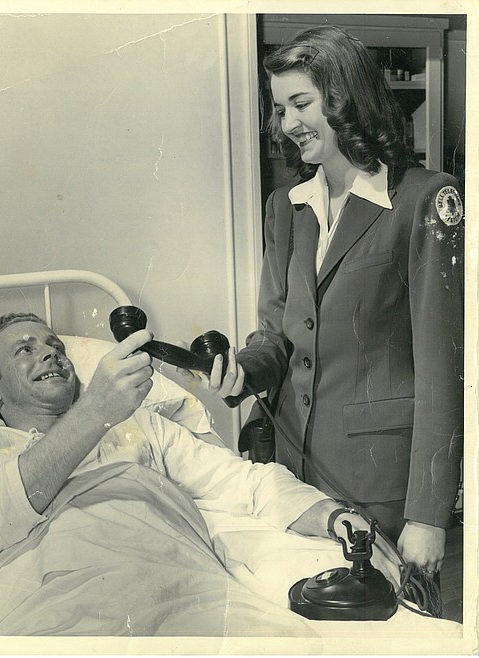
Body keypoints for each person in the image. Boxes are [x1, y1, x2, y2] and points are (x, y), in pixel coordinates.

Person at [203, 25, 464, 576]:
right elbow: (275, 336)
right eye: (280, 110)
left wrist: (428, 515)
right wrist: (242, 371)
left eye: (301, 104)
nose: (287, 123)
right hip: (291, 472)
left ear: (346, 97)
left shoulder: (424, 199)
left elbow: (444, 370)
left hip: (380, 480)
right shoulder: (285, 207)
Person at [0, 312, 397, 636]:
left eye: (56, 345)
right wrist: (93, 412)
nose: (51, 352)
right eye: (25, 349)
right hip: (55, 612)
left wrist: (331, 515)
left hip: (180, 592)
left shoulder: (138, 424)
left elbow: (243, 481)